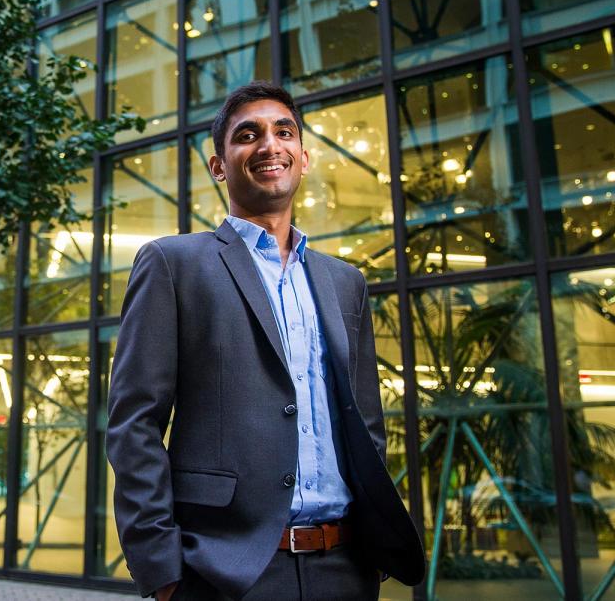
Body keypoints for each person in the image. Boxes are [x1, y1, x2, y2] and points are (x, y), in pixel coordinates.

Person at [105, 82, 425, 600]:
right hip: (225, 570)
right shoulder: (174, 264)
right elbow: (133, 423)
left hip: (345, 567)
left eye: (284, 132)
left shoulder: (345, 282)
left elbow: (366, 423)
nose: (269, 145)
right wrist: (162, 571)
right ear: (219, 166)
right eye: (247, 135)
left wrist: (372, 546)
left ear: (304, 157)